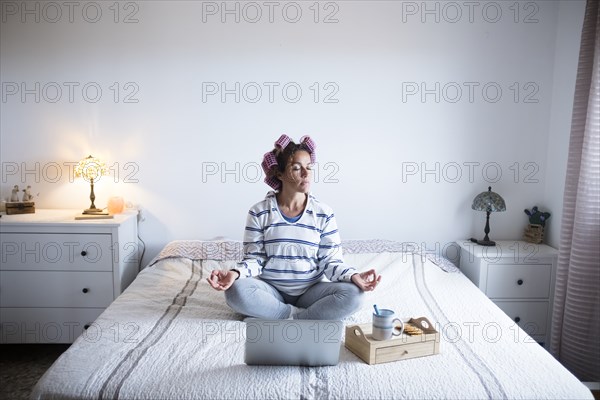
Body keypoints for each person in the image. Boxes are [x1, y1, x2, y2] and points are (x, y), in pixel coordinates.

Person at [207, 134, 381, 320]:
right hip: (271, 291)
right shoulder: (259, 212)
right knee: (235, 291)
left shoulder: (324, 213)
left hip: (311, 293)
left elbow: (331, 261)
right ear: (280, 174)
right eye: (297, 168)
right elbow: (255, 259)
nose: (306, 174)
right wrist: (235, 273)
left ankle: (295, 318)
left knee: (354, 295)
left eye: (309, 167)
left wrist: (353, 276)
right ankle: (289, 314)